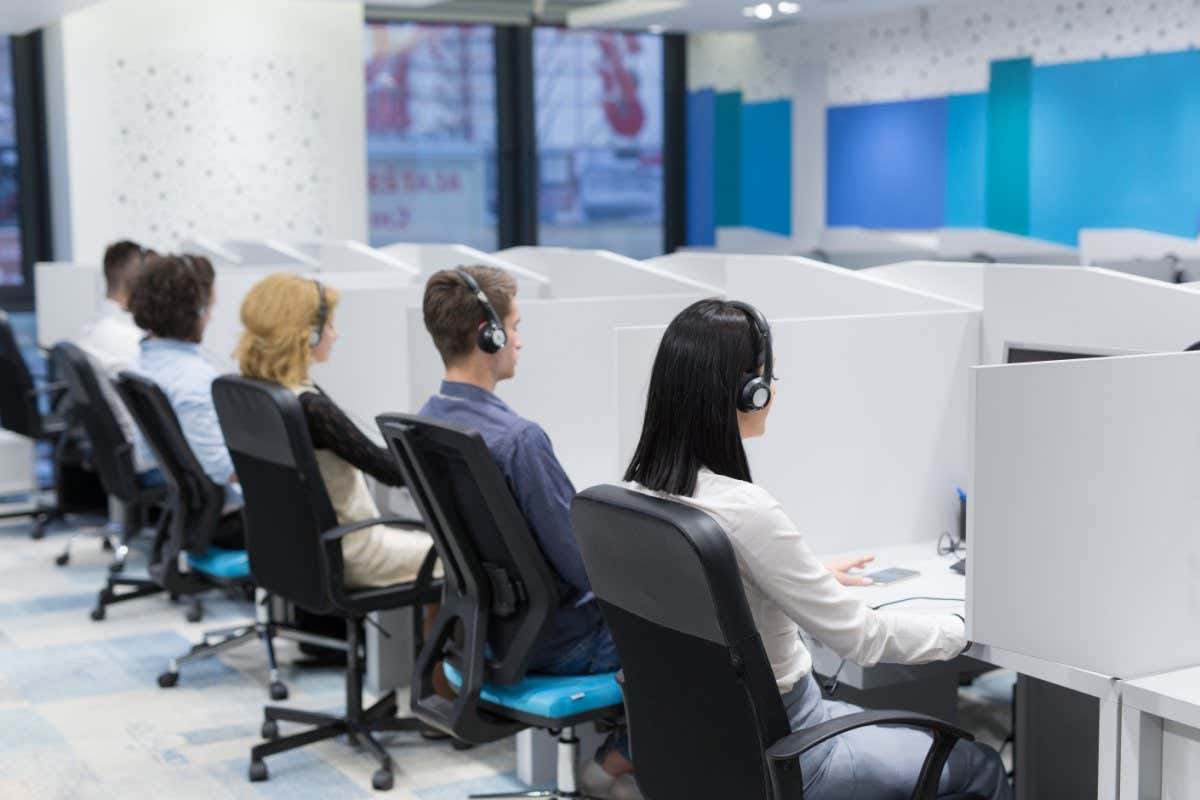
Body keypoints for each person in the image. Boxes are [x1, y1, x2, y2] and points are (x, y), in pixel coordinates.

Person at [415, 268, 881, 798]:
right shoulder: (520, 441)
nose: (519, 338)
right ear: (489, 335)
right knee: (698, 635)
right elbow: (588, 566)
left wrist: (795, 574)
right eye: (515, 326)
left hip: (489, 633)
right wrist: (770, 579)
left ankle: (631, 764)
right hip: (561, 641)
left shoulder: (432, 420)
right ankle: (629, 763)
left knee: (699, 609)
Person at [623, 299, 1011, 800]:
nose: (773, 393)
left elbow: (708, 591)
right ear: (749, 392)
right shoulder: (745, 511)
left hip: (697, 740)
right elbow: (864, 639)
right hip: (792, 748)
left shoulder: (636, 495)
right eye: (770, 379)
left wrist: (800, 574)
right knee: (978, 764)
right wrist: (967, 629)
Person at [234, 273, 436, 588]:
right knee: (465, 559)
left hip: (295, 549)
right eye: (329, 325)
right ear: (307, 335)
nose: (335, 334)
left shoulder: (258, 392)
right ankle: (442, 639)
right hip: (356, 551)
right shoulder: (310, 407)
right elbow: (390, 472)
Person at [126, 253, 243, 549]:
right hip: (229, 517)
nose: (212, 316)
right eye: (211, 307)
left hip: (183, 503)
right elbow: (222, 469)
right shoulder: (193, 380)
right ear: (197, 310)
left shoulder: (144, 360)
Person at [75, 240, 158, 478]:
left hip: (120, 456)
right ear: (136, 287)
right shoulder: (133, 344)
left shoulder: (91, 331)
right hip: (148, 461)